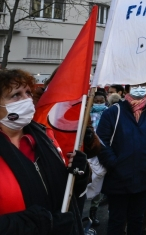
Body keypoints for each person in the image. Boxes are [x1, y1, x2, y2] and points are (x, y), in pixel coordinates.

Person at [0, 69, 88, 235]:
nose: (26, 99)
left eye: (27, 93)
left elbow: (67, 194)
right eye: (16, 95)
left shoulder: (45, 136)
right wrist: (36, 224)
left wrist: (79, 173)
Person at [96, 82, 146, 235]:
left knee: (137, 220)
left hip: (144, 175)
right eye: (136, 86)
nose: (140, 89)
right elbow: (101, 141)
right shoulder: (113, 112)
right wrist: (114, 163)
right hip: (118, 177)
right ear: (128, 89)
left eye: (143, 86)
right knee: (117, 221)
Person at [88, 92, 109, 227]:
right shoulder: (86, 114)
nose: (99, 103)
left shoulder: (109, 114)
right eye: (97, 101)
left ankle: (93, 211)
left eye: (101, 101)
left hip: (104, 151)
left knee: (100, 182)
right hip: (89, 152)